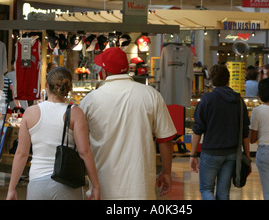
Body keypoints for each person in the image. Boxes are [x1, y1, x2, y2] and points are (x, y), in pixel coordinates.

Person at [79, 46, 177, 200]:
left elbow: (81, 146)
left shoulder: (89, 101)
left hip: (102, 188)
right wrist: (166, 172)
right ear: (128, 70)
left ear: (103, 72)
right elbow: (165, 139)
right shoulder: (151, 95)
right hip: (141, 188)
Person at [6, 66, 100, 201]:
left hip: (37, 183)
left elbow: (22, 153)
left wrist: (11, 188)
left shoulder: (31, 112)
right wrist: (95, 186)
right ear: (69, 88)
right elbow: (84, 152)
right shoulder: (75, 113)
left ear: (46, 85)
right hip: (67, 182)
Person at [190, 64, 250, 200]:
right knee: (223, 193)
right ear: (228, 80)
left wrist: (192, 154)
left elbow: (197, 130)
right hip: (231, 153)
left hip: (211, 152)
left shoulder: (206, 100)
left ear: (210, 80)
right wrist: (247, 157)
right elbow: (245, 132)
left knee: (206, 190)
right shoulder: (239, 101)